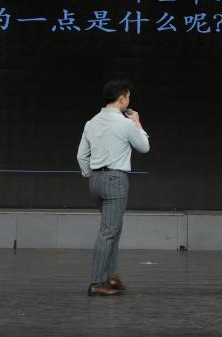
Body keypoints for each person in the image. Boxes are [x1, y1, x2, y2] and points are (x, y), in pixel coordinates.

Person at [76, 80, 150, 297]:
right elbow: (144, 147)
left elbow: (81, 156)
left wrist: (91, 175)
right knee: (108, 232)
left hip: (95, 181)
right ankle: (97, 282)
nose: (129, 100)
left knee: (113, 228)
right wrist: (137, 122)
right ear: (122, 97)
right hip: (115, 180)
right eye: (128, 96)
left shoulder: (91, 122)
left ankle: (112, 276)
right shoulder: (125, 124)